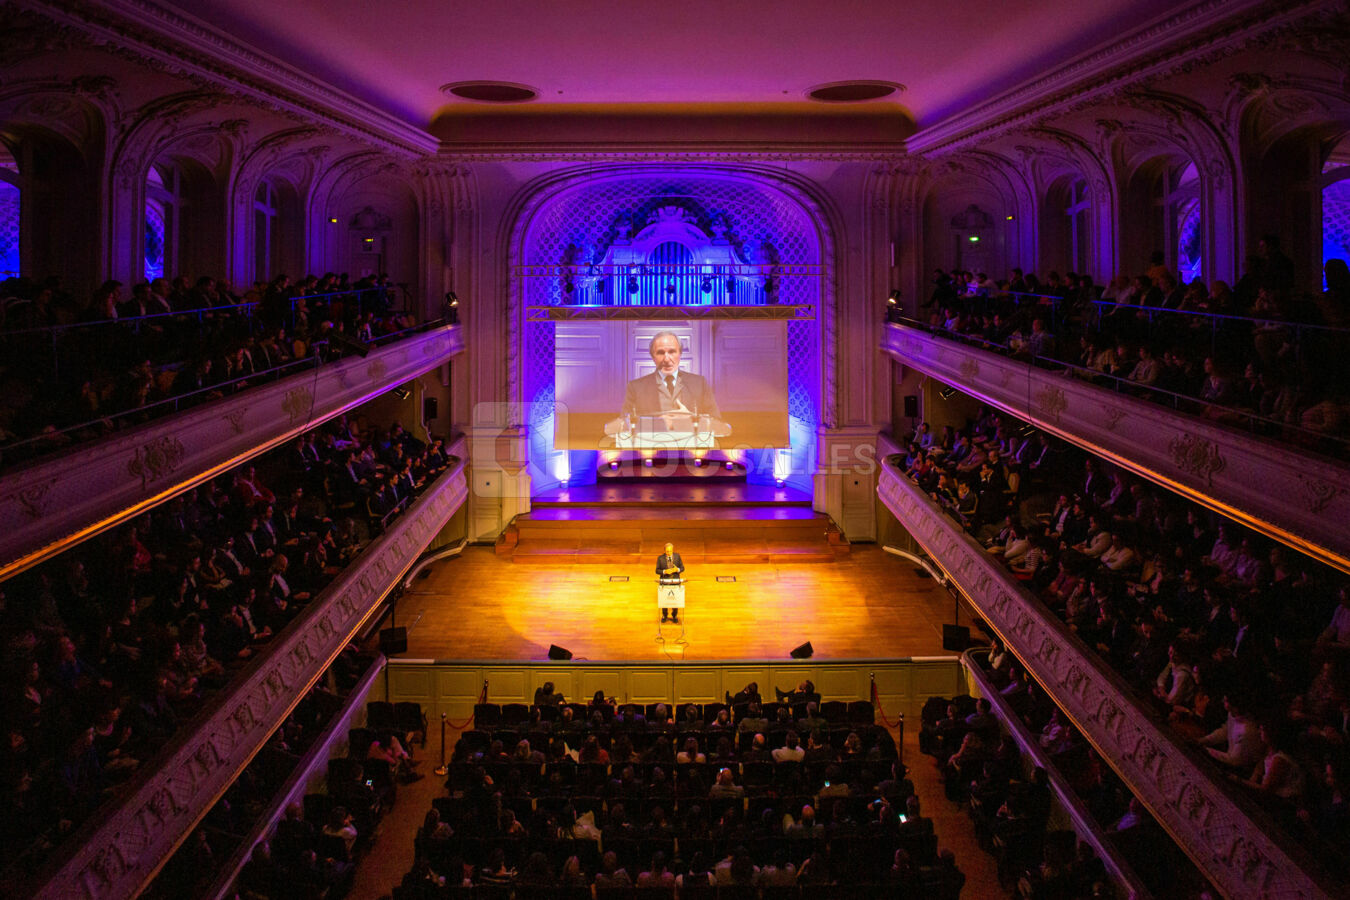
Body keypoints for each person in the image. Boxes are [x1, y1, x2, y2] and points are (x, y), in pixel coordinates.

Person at [613, 331, 727, 436]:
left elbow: (719, 426)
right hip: (653, 451)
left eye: (672, 352)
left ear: (680, 354)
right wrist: (657, 423)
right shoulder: (635, 387)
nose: (667, 359)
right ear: (653, 357)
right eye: (660, 353)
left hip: (691, 451)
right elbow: (623, 426)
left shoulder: (699, 383)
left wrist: (691, 418)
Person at [655, 541, 685, 624]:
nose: (669, 553)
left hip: (675, 582)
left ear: (673, 550)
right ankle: (664, 615)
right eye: (667, 551)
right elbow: (657, 570)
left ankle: (674, 615)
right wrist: (664, 571)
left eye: (670, 551)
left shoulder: (677, 556)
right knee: (664, 599)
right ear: (664, 551)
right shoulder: (660, 558)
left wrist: (677, 570)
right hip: (665, 582)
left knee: (675, 599)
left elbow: (682, 568)